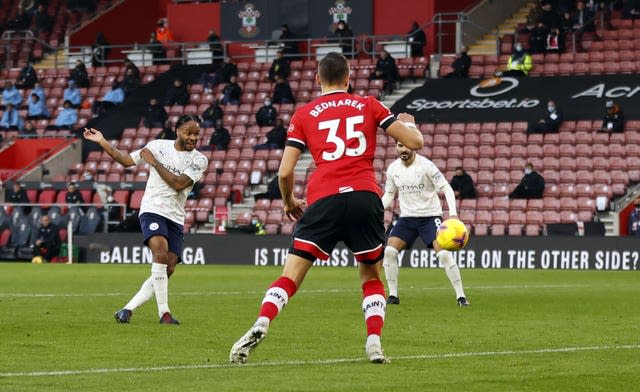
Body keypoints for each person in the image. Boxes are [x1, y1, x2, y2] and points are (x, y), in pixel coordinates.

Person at [229, 52, 424, 365]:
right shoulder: (369, 104)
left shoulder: (304, 114)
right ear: (349, 78)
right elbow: (414, 144)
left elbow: (284, 172)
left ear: (317, 79)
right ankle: (374, 341)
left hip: (324, 198)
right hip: (364, 195)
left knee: (291, 274)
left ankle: (263, 320)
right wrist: (409, 125)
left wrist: (290, 201)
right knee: (370, 274)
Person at [83, 114, 208, 325]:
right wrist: (102, 141)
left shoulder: (199, 160)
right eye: (189, 132)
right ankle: (164, 313)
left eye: (197, 133)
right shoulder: (157, 146)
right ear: (177, 130)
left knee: (168, 268)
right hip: (152, 209)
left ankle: (128, 309)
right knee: (159, 252)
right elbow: (125, 161)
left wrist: (155, 164)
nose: (193, 137)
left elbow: (178, 184)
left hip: (175, 216)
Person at [381, 142, 470, 307]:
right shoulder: (393, 169)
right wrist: (376, 209)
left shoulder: (427, 166)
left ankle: (461, 296)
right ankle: (393, 295)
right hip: (407, 218)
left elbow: (447, 189)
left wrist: (453, 215)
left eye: (406, 146)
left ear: (413, 146)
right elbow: (389, 194)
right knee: (390, 252)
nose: (403, 149)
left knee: (443, 254)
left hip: (430, 217)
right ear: (396, 147)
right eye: (400, 146)